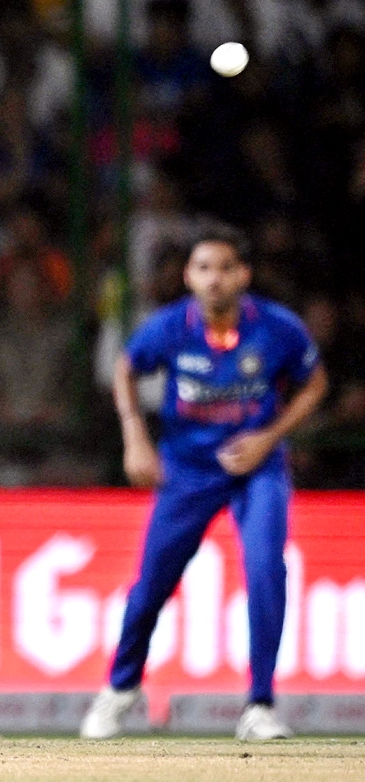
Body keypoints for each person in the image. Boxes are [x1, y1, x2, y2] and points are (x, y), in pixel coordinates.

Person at [80, 225, 327, 742]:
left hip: (255, 469)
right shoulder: (170, 327)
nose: (215, 279)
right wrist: (135, 436)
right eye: (204, 268)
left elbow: (315, 382)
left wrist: (269, 437)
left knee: (266, 569)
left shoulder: (277, 327)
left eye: (225, 268)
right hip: (187, 471)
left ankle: (260, 705)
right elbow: (126, 368)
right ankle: (120, 690)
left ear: (244, 275)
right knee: (151, 585)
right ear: (189, 276)